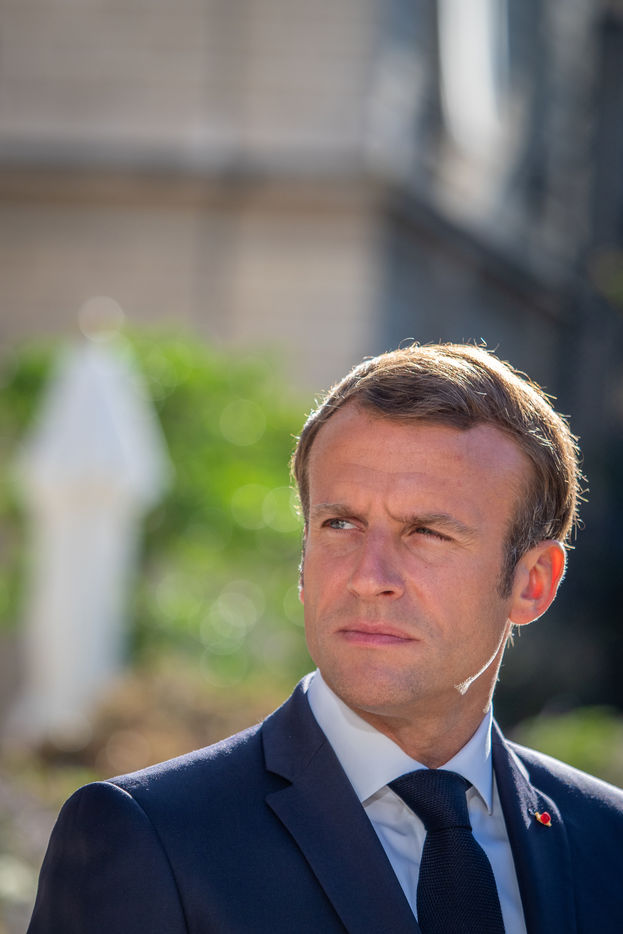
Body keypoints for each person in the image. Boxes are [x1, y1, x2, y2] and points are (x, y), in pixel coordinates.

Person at [28, 343, 623, 933]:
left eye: (427, 533)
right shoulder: (150, 837)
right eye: (340, 524)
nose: (368, 577)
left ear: (532, 582)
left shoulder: (609, 843)